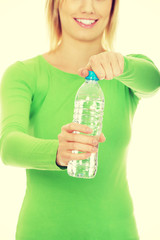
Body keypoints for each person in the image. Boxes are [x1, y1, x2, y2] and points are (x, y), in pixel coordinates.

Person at [0, 0, 160, 239]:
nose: (88, 7)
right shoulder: (25, 73)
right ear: (56, 4)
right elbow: (8, 145)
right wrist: (58, 151)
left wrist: (121, 65)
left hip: (116, 233)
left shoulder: (127, 73)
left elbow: (153, 81)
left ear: (113, 7)